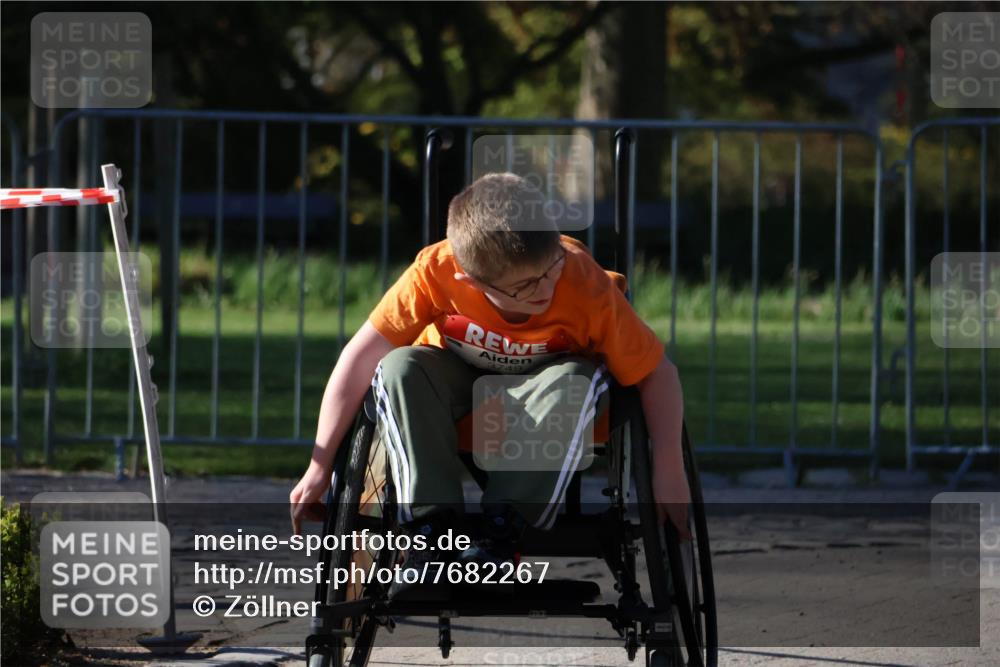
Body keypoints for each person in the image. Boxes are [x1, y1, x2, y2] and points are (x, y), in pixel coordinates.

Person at [290, 173, 690, 597]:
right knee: (398, 367)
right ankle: (431, 534)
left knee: (576, 378)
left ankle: (500, 537)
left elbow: (657, 373)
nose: (546, 287)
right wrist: (319, 466)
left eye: (551, 268)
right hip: (454, 387)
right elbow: (357, 360)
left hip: (549, 395)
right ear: (470, 281)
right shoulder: (435, 272)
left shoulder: (583, 283)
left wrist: (669, 468)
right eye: (525, 286)